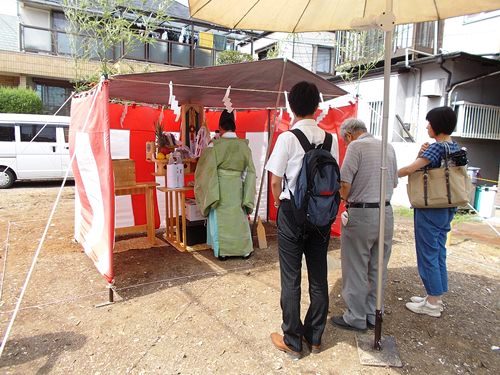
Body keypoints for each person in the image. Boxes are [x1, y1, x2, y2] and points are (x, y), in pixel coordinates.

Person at [265, 81, 339, 359]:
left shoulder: (287, 138)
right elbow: (337, 181)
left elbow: (275, 181)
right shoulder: (331, 140)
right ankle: (315, 336)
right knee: (319, 277)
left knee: (291, 277)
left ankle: (293, 340)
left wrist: (277, 203)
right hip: (321, 215)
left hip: (292, 214)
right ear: (317, 106)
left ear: (292, 107)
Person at [331, 118, 398, 332]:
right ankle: (372, 313)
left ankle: (355, 317)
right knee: (378, 266)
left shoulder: (355, 147)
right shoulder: (388, 146)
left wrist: (342, 198)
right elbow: (394, 181)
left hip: (361, 213)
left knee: (355, 266)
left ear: (349, 135)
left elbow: (345, 184)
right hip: (386, 212)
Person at [398, 106, 460, 317]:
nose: (427, 126)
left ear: (437, 125)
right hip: (448, 205)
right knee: (439, 251)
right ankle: (435, 296)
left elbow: (410, 169)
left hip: (430, 206)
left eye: (429, 122)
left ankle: (432, 303)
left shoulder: (436, 148)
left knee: (428, 254)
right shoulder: (455, 147)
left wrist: (388, 173)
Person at [194, 110, 256, 259]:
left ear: (220, 127)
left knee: (220, 220)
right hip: (237, 187)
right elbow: (251, 172)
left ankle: (222, 252)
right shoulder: (244, 147)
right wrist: (247, 196)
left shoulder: (214, 146)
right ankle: (244, 250)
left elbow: (205, 171)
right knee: (239, 219)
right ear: (234, 126)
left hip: (219, 189)